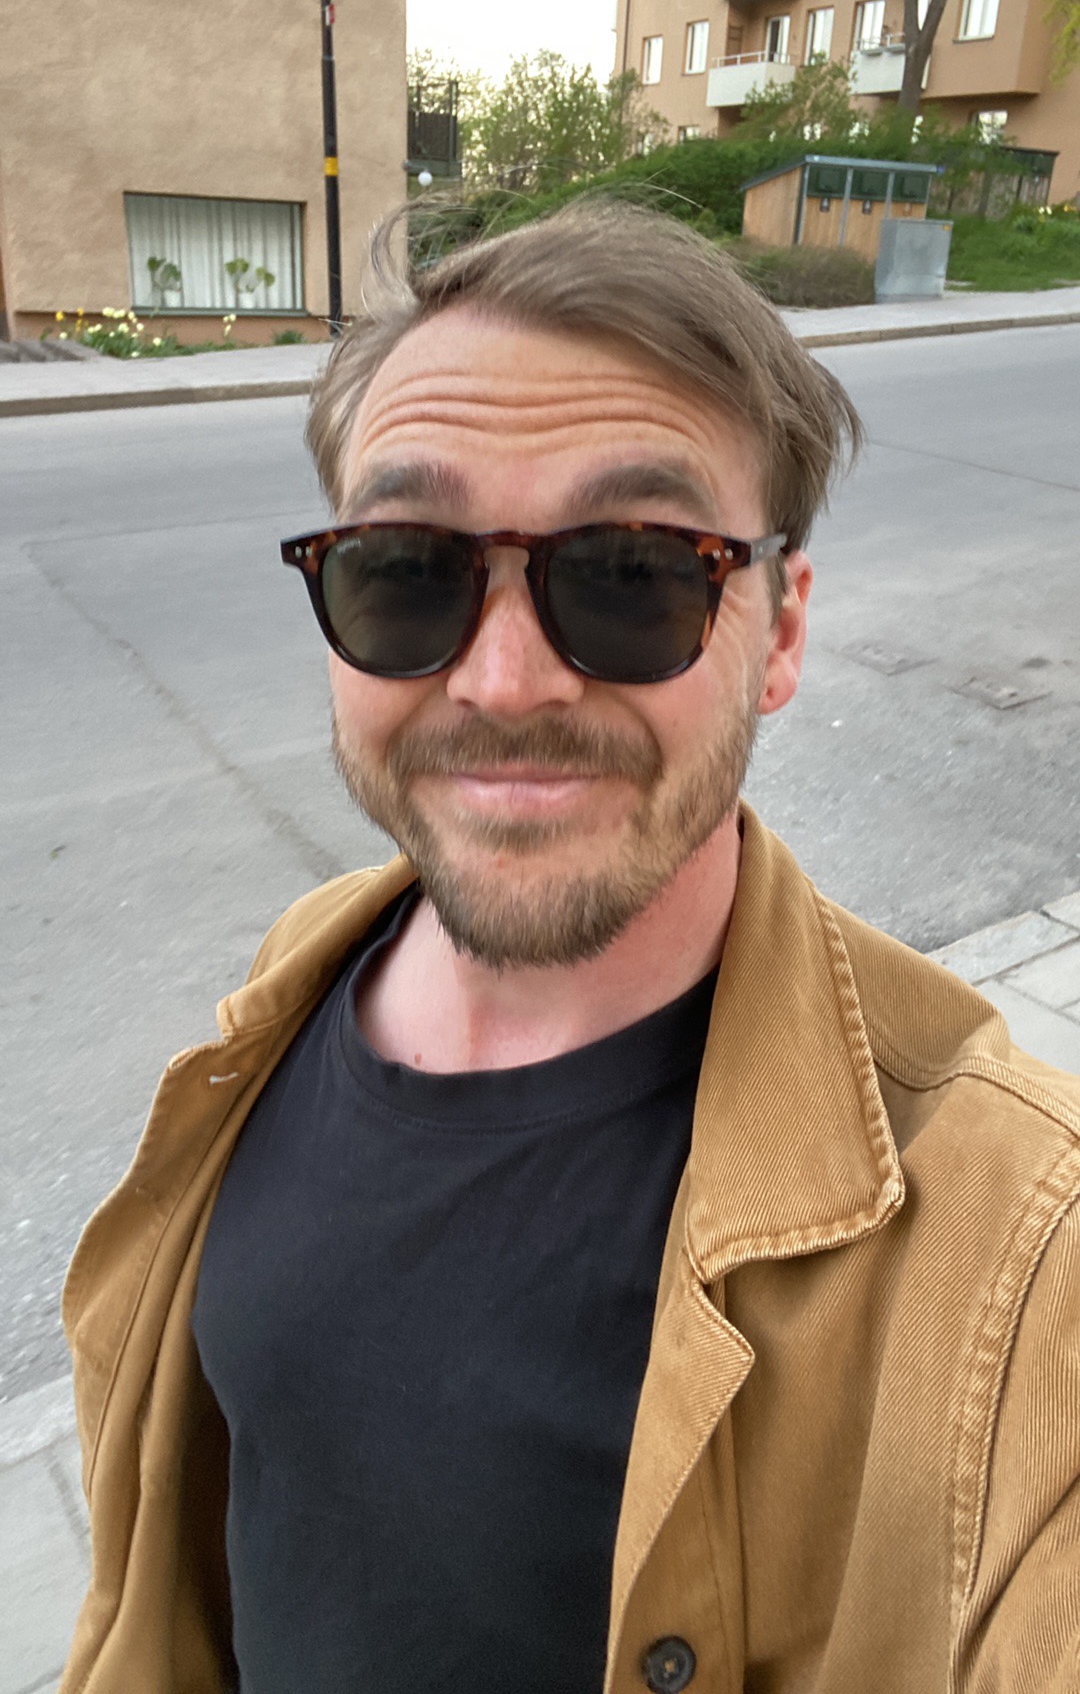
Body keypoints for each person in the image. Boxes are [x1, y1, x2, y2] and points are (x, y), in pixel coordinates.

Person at [61, 204, 1080, 1694]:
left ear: (782, 632)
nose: (504, 681)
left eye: (633, 574)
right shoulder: (295, 983)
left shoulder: (1022, 1258)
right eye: (409, 566)